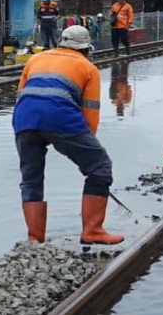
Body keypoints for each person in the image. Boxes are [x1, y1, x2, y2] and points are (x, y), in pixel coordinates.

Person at [13, 24, 123, 245]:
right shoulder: (87, 67)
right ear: (86, 49)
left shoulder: (36, 59)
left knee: (31, 178)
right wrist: (87, 161)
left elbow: (20, 97)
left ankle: (35, 238)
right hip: (59, 118)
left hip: (24, 119)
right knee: (101, 168)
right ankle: (92, 230)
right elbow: (90, 115)